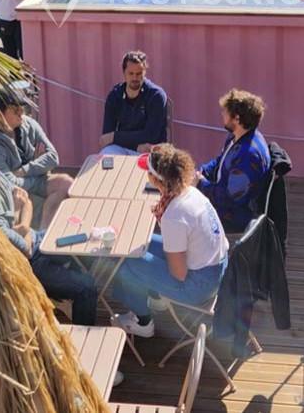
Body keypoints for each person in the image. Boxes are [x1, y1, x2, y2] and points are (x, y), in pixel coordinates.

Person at [0, 145, 100, 326]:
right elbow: (24, 251)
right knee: (87, 287)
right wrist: (21, 213)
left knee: (89, 249)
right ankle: (82, 336)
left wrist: (23, 224)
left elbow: (26, 200)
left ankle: (59, 297)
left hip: (36, 240)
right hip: (23, 267)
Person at [110, 144, 228, 338]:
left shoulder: (174, 215)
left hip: (198, 286)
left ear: (155, 179)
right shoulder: (191, 193)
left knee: (126, 262)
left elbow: (179, 273)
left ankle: (143, 322)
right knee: (140, 245)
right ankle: (156, 296)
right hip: (217, 269)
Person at [0, 86, 72, 228]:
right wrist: (36, 171)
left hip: (29, 179)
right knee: (29, 201)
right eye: (15, 110)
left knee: (66, 183)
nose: (21, 113)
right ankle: (40, 236)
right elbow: (7, 183)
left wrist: (24, 171)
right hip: (9, 194)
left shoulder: (29, 124)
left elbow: (53, 157)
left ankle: (43, 233)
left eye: (22, 107)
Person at [197, 89, 271, 233]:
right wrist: (201, 172)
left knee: (184, 213)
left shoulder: (248, 156)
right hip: (219, 196)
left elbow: (230, 199)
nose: (222, 115)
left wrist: (201, 184)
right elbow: (219, 162)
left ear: (236, 118)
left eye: (225, 112)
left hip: (233, 216)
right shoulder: (235, 137)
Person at [99, 50, 169, 156]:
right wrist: (135, 145)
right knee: (106, 156)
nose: (135, 78)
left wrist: (115, 137)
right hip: (123, 148)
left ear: (145, 72)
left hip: (150, 150)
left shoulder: (156, 96)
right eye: (131, 73)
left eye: (139, 73)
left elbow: (151, 135)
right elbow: (106, 136)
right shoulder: (115, 95)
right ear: (124, 73)